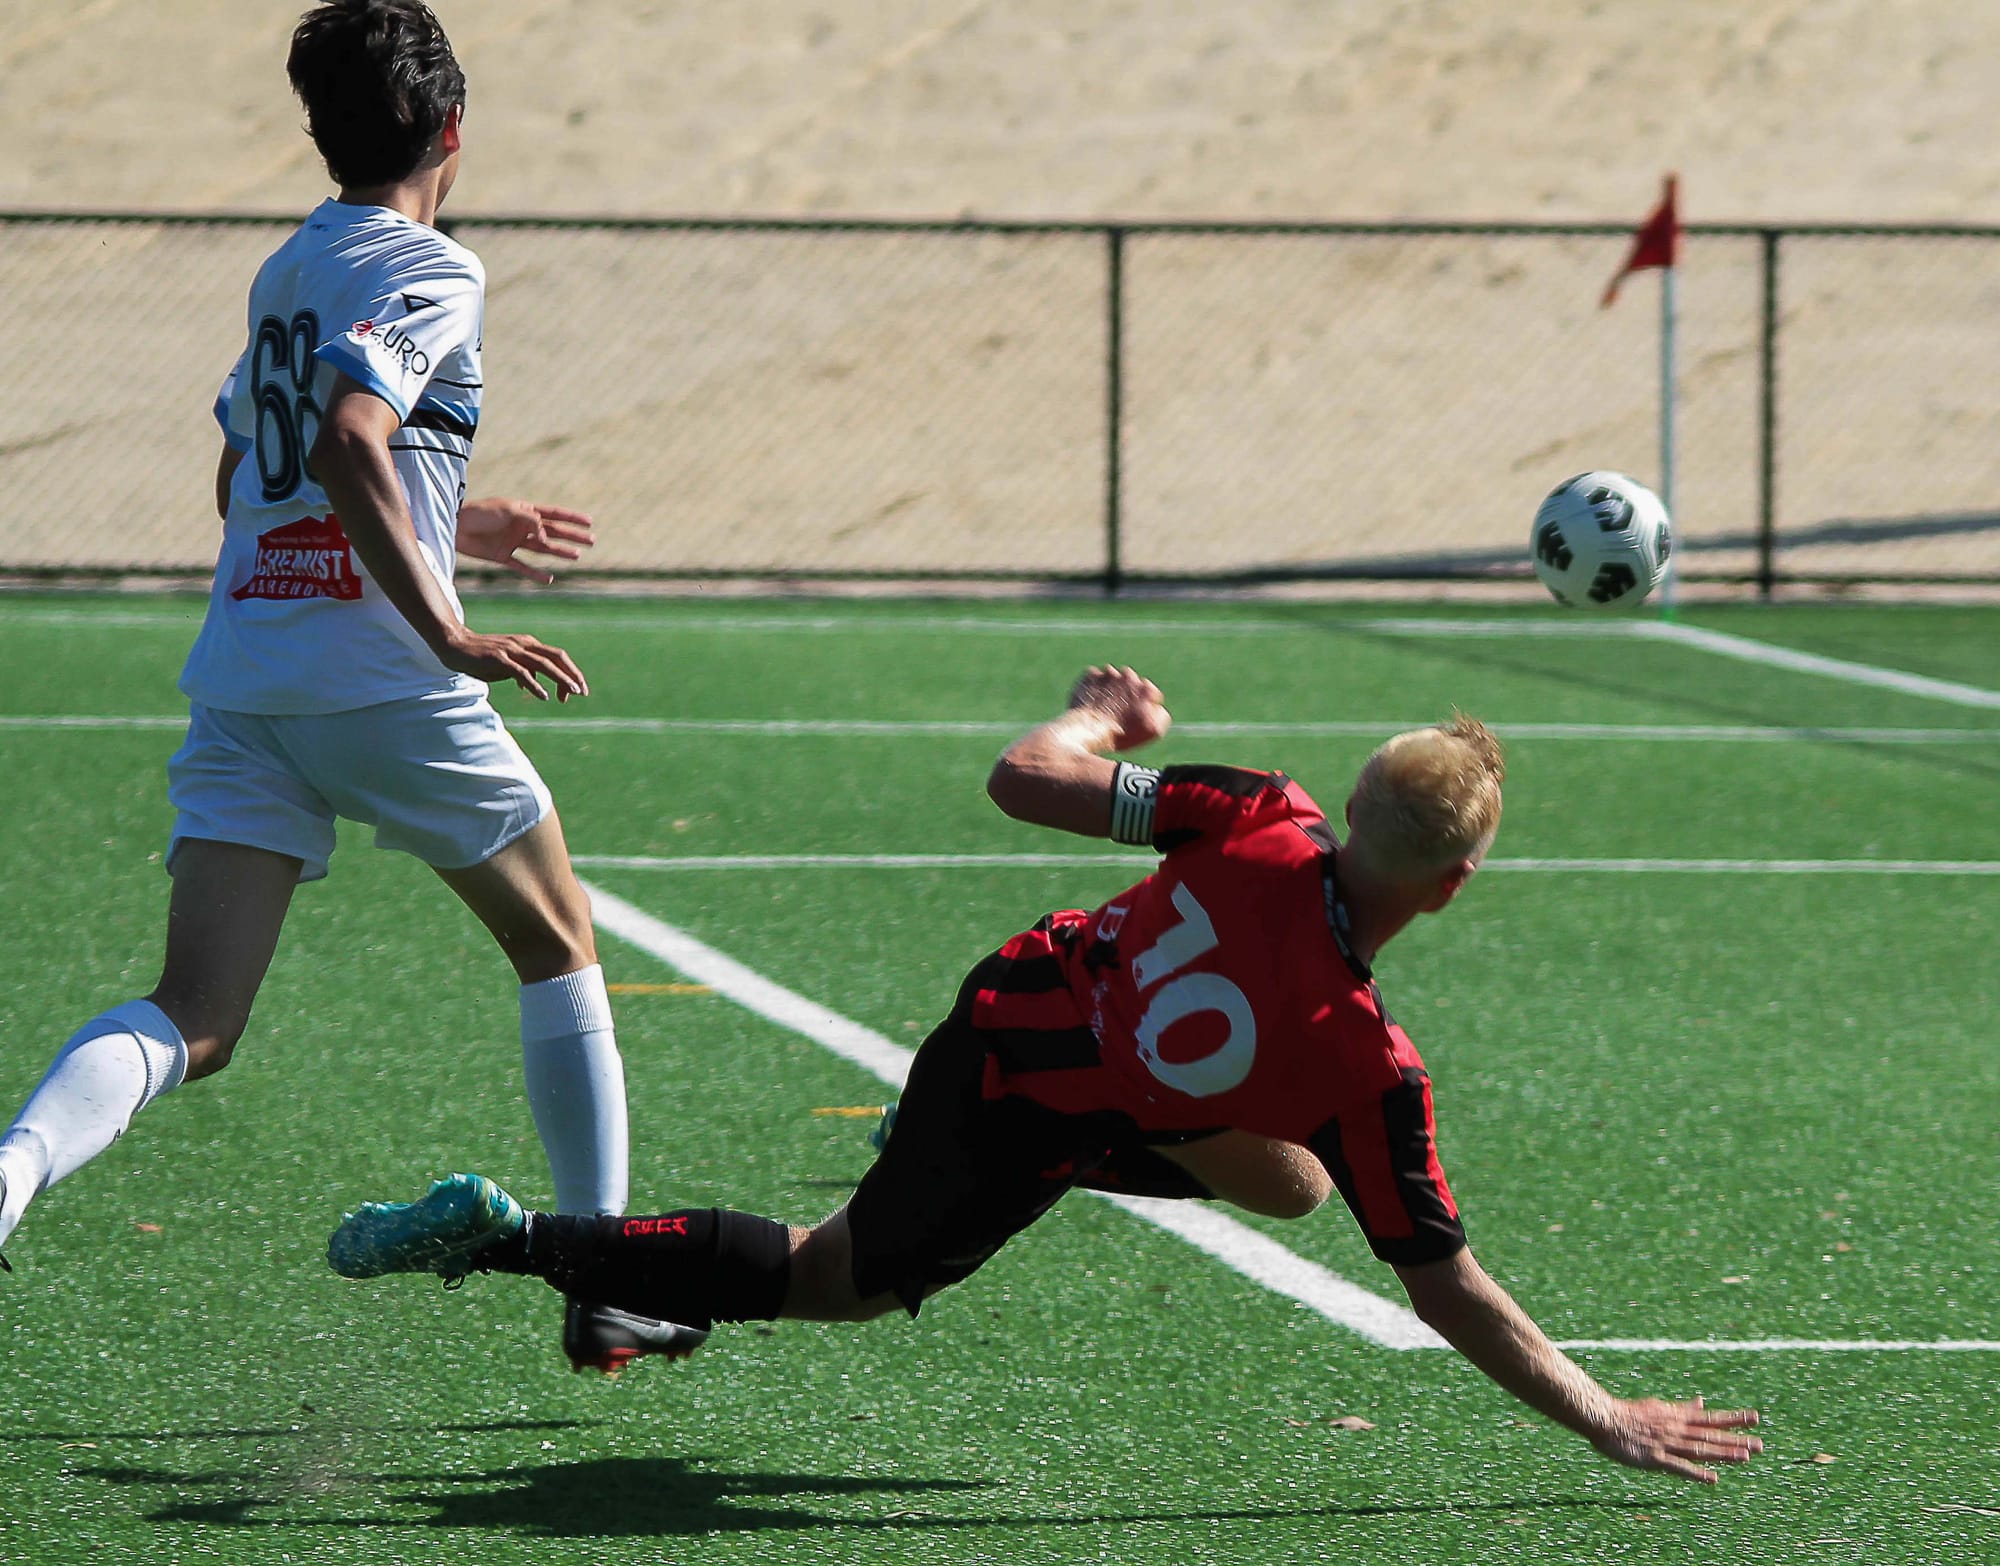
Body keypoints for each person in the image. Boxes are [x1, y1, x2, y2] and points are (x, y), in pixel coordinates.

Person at [329, 665, 1763, 1483]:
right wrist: (1604, 1413)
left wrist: (1098, 721)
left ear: (1351, 804)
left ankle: (961, 1127)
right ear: (1449, 890)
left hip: (1010, 1009)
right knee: (837, 1276)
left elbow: (1026, 778)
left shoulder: (1262, 813)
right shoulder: (1369, 1060)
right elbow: (1443, 1278)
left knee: (1299, 1184)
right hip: (1037, 1116)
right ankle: (516, 1237)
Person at [0, 0, 694, 1374]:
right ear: (451, 129)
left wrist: (455, 517)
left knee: (194, 1017)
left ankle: (11, 1171)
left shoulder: (289, 266)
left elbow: (246, 478)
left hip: (249, 673)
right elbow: (349, 437)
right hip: (381, 678)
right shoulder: (435, 266)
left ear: (324, 134)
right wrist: (449, 625)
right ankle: (604, 1279)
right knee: (557, 934)